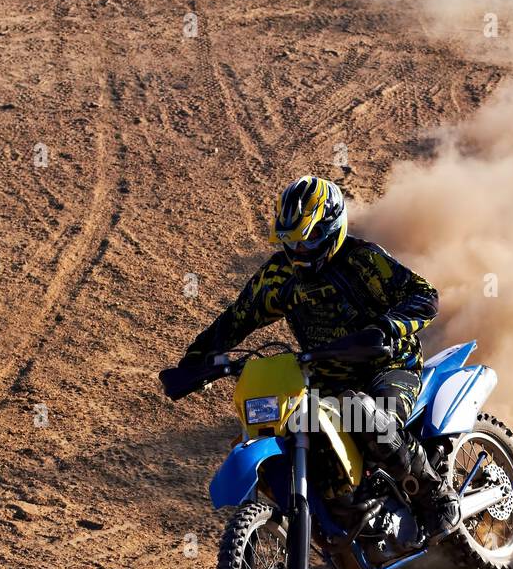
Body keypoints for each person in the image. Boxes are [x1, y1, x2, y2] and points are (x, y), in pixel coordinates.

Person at [167, 174, 460, 539]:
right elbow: (236, 319)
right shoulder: (279, 275)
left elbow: (424, 296)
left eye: (309, 240)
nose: (300, 251)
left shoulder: (363, 261)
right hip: (321, 377)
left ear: (333, 227)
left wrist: (385, 328)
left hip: (387, 366)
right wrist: (194, 361)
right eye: (291, 242)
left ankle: (435, 494)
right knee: (283, 425)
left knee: (365, 414)